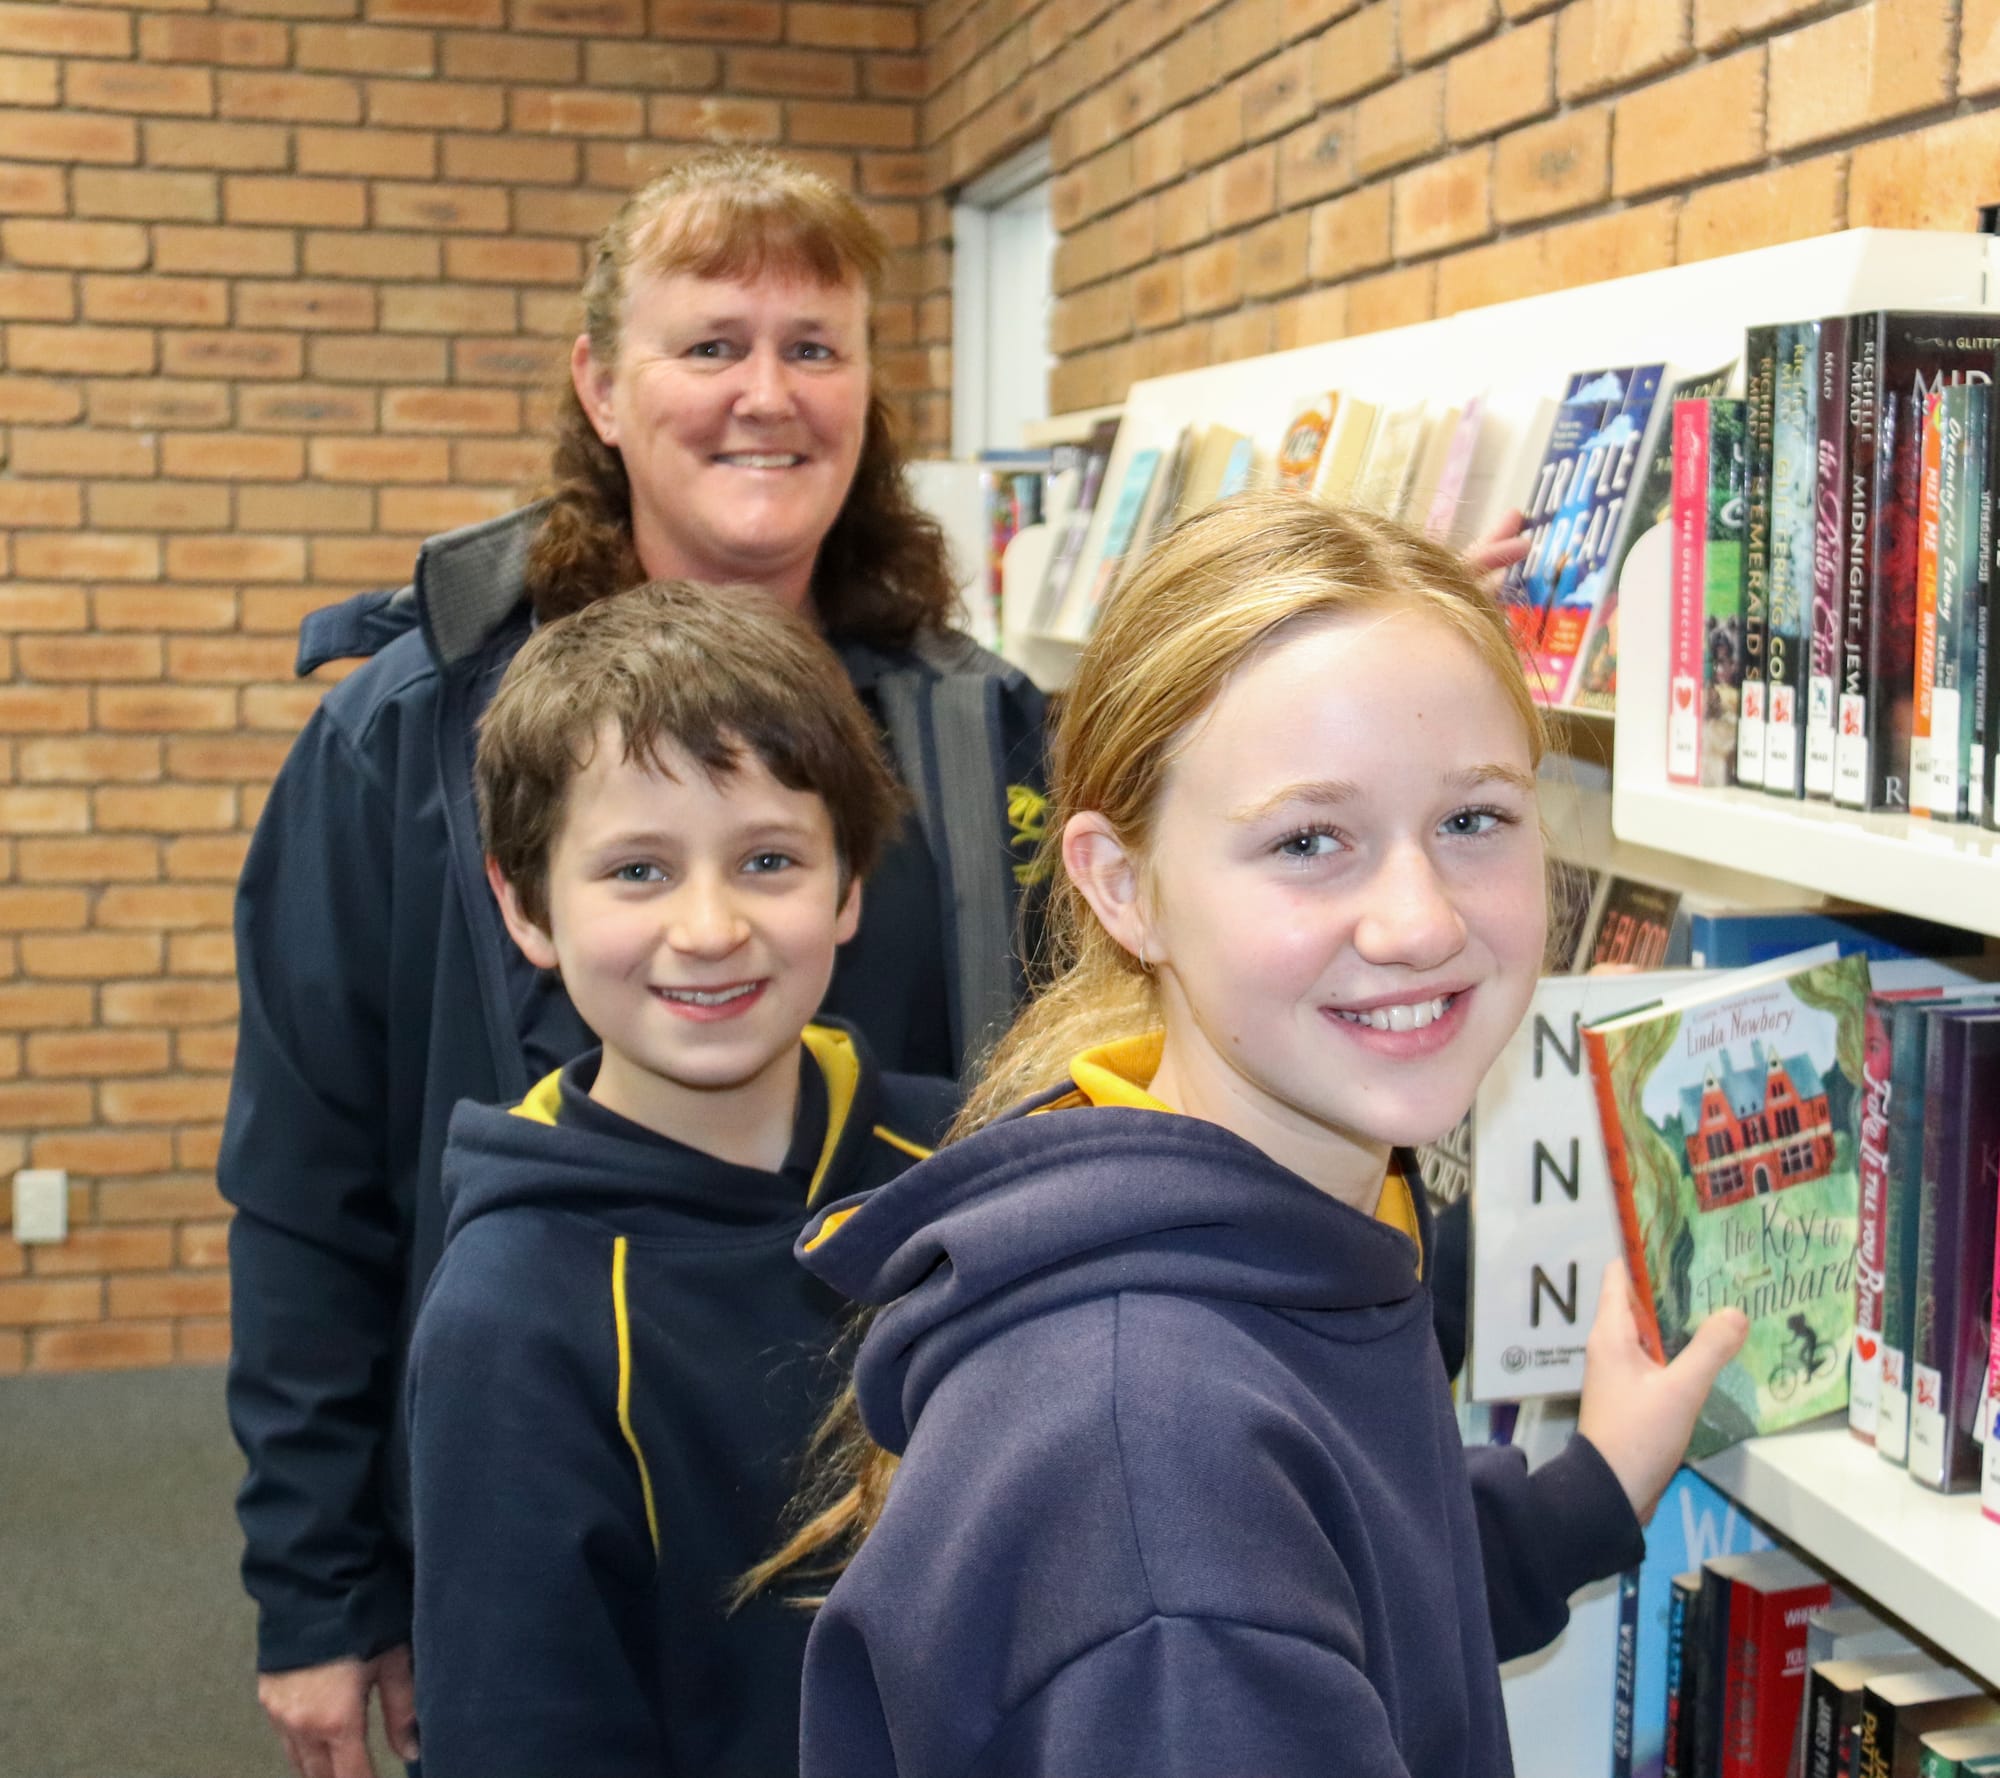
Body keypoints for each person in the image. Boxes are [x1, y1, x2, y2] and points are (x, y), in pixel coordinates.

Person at [220, 148, 1045, 1778]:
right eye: (711, 343)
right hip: (557, 1520)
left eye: (815, 346)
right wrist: (314, 1590)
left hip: (915, 1521)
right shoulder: (410, 734)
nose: (769, 395)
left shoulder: (975, 724)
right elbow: (311, 1176)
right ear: (601, 383)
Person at [764, 493, 1749, 1778]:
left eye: (1471, 818)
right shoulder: (1158, 1474)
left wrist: (1592, 1480)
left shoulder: (1273, 1200)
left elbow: (1356, 1584)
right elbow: (1221, 1595)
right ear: (1123, 887)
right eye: (1307, 840)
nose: (1417, 919)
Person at [406, 580, 958, 1776]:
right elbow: (520, 1733)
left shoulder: (971, 1165)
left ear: (849, 884)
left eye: (766, 858)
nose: (708, 927)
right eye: (637, 871)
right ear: (525, 903)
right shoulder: (516, 1314)